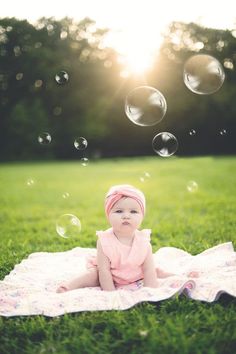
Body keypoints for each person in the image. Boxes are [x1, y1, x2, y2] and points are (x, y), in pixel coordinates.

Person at [56, 184, 197, 293]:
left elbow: (147, 269)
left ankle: (182, 277)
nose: (126, 216)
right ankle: (69, 285)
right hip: (110, 274)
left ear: (142, 216)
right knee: (93, 275)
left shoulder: (143, 240)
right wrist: (110, 294)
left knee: (157, 271)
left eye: (133, 211)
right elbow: (104, 270)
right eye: (118, 211)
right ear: (108, 215)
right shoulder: (104, 240)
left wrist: (151, 292)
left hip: (136, 272)